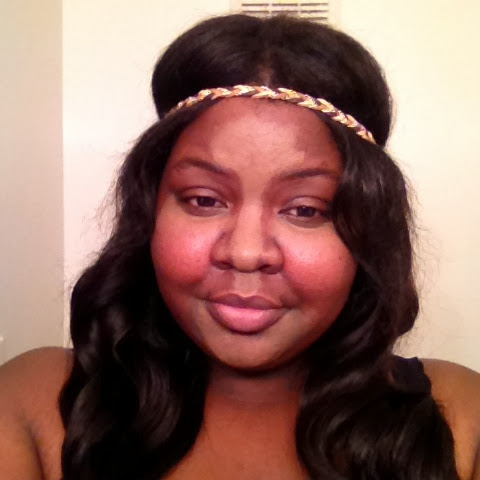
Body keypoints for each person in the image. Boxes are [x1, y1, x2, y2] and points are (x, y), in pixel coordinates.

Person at [0, 13, 479, 480]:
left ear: (369, 231)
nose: (246, 253)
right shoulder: (34, 405)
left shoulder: (459, 419)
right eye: (204, 200)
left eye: (306, 209)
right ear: (150, 215)